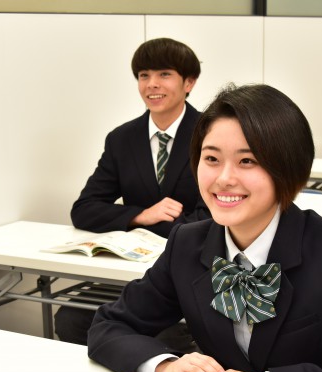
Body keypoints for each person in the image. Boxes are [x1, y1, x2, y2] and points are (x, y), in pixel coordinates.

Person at [87, 83, 322, 372]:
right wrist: (164, 366)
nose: (224, 179)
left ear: (287, 168)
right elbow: (109, 326)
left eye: (247, 161)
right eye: (212, 159)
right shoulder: (187, 243)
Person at [55, 38, 210, 349]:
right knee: (70, 318)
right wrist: (141, 214)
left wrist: (145, 226)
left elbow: (212, 218)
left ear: (189, 82)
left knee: (166, 333)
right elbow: (84, 208)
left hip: (188, 271)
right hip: (131, 272)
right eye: (143, 75)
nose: (151, 85)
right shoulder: (122, 139)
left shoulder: (211, 134)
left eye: (164, 74)